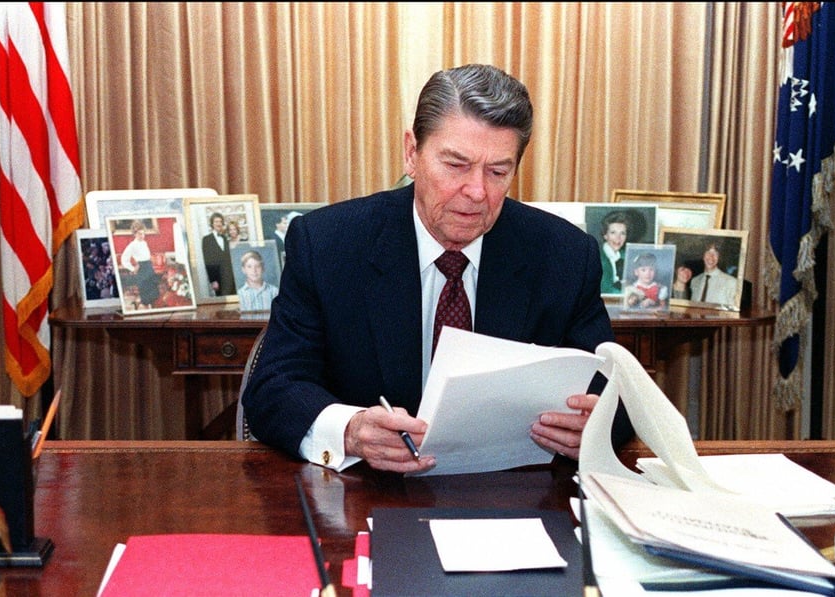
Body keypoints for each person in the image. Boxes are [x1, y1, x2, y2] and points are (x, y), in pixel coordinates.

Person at [241, 63, 633, 474]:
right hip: (367, 491)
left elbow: (616, 394)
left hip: (512, 497)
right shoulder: (328, 244)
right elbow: (274, 387)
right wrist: (351, 430)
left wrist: (596, 423)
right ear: (412, 153)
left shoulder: (565, 256)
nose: (477, 191)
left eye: (498, 171)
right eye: (456, 165)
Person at [119, 220, 160, 309]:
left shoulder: (144, 243)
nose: (142, 236)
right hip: (142, 269)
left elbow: (146, 256)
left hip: (149, 267)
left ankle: (151, 309)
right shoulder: (132, 245)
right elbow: (124, 259)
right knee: (145, 292)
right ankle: (142, 307)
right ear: (135, 234)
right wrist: (133, 268)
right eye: (139, 234)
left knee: (153, 291)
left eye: (143, 233)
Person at [201, 212, 235, 296]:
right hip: (218, 278)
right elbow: (207, 261)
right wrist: (213, 280)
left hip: (231, 276)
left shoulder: (225, 238)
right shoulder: (206, 239)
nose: (218, 223)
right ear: (212, 224)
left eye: (220, 221)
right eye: (216, 221)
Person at [599, 210, 628, 294]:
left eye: (622, 233)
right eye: (613, 233)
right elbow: (604, 289)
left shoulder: (626, 255)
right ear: (605, 235)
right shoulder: (597, 257)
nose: (618, 238)